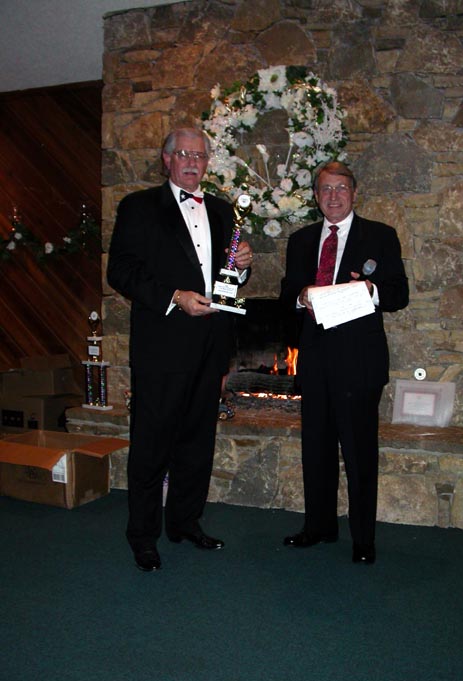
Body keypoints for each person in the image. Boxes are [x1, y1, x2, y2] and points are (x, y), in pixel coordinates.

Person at [107, 127, 253, 572]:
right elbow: (121, 271)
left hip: (211, 345)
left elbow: (228, 281)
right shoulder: (138, 206)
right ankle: (143, 537)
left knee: (197, 443)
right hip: (162, 346)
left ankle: (185, 522)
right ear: (166, 158)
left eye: (200, 155)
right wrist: (175, 296)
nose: (192, 161)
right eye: (184, 154)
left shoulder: (224, 211)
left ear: (207, 162)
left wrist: (241, 268)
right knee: (151, 445)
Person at [280, 161, 409, 564]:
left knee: (359, 453)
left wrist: (370, 290)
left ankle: (363, 538)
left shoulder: (380, 235)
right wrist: (300, 296)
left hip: (359, 363)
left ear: (354, 193)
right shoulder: (301, 240)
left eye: (341, 188)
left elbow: (399, 294)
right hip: (315, 360)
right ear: (315, 196)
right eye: (325, 189)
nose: (333, 196)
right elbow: (287, 294)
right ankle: (318, 526)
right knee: (315, 449)